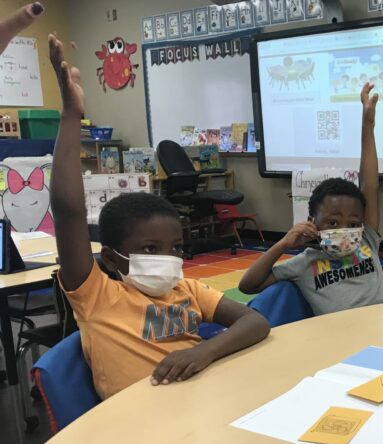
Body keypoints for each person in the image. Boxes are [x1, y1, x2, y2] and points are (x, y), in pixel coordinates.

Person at [48, 35, 269, 400]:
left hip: (199, 407)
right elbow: (68, 212)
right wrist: (71, 116)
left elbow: (255, 321)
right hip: (139, 423)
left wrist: (202, 351)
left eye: (176, 247)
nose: (168, 259)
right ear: (111, 257)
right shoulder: (97, 295)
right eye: (151, 248)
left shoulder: (188, 290)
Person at [239, 83, 383, 316]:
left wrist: (368, 126)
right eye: (333, 223)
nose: (344, 230)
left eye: (353, 224)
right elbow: (247, 285)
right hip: (347, 337)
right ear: (313, 221)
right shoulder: (304, 263)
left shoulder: (367, 241)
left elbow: (370, 185)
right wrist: (282, 244)